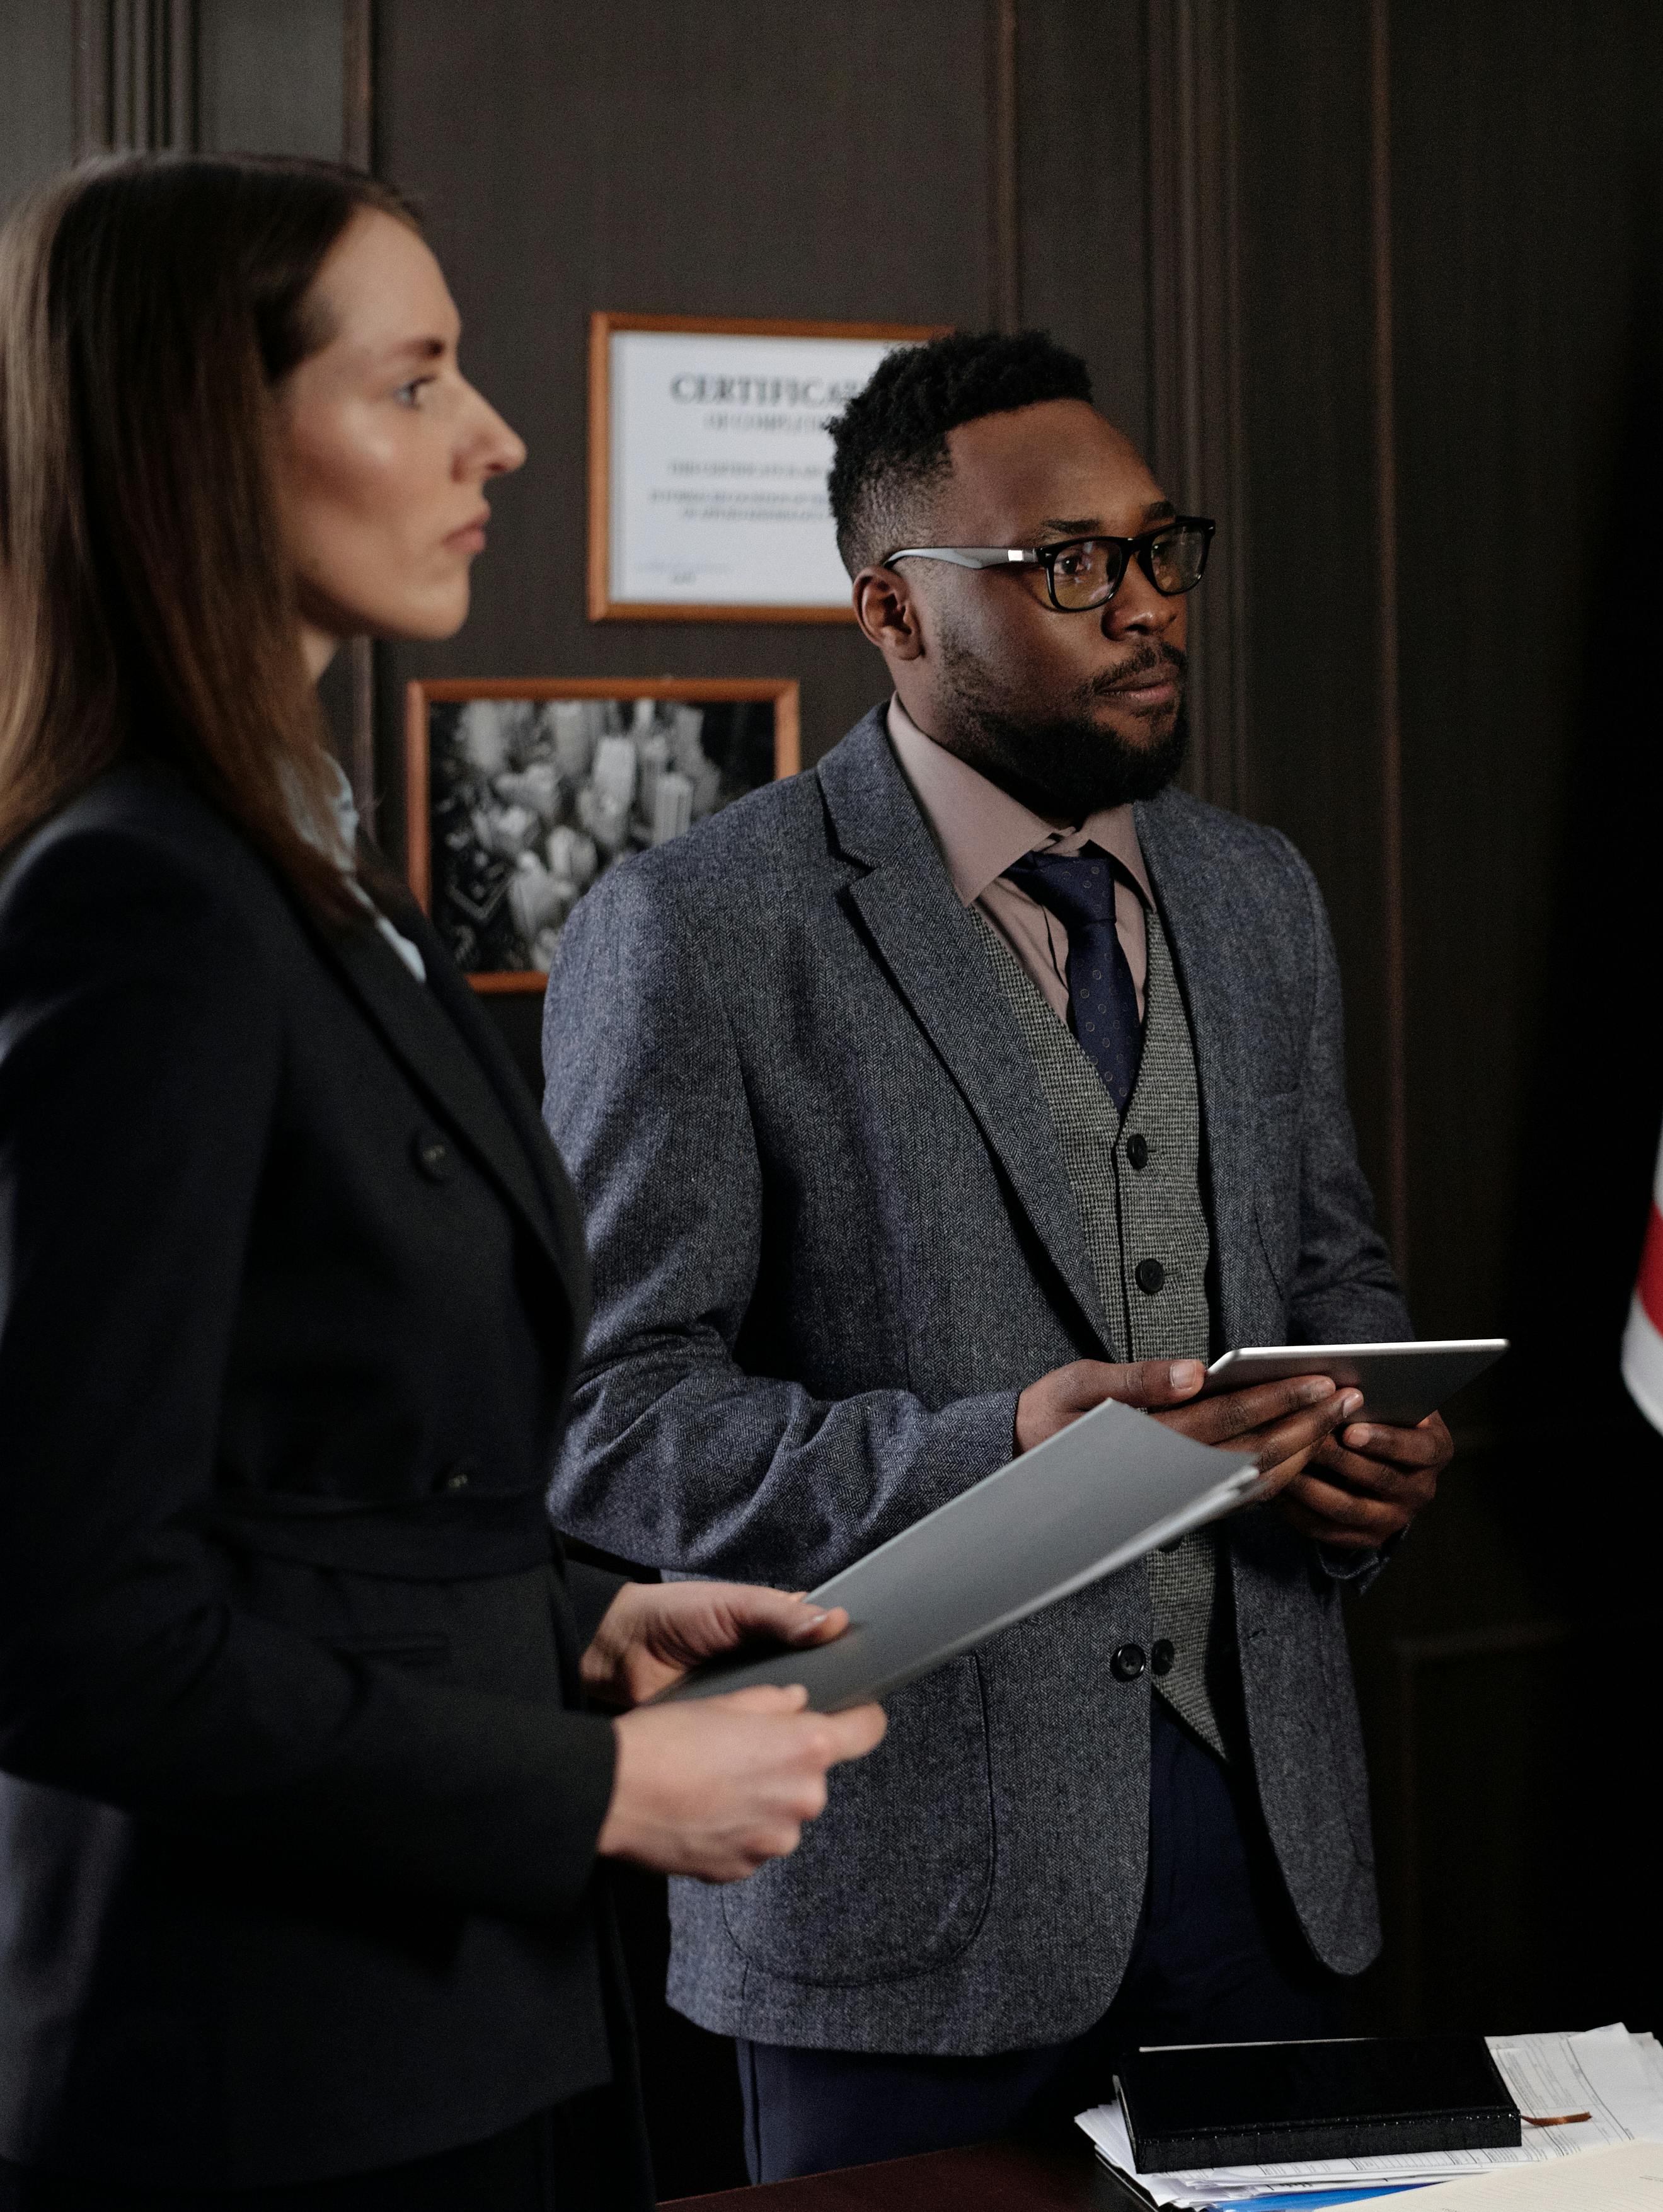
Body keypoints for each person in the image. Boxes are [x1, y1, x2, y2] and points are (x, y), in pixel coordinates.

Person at [0, 156, 885, 2211]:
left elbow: (304, 1480)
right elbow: (67, 1626)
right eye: (413, 385)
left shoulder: (294, 862)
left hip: (432, 2030)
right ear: (204, 436)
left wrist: (574, 1624)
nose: (490, 437)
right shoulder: (143, 903)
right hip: (260, 2086)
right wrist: (595, 1777)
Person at [543, 329, 1453, 2180]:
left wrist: (1362, 1438)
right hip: (893, 1922)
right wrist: (999, 1447)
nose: (1141, 608)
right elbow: (615, 1427)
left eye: (1157, 549)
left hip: (1267, 1878)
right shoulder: (697, 931)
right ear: (889, 609)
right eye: (1067, 566)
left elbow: (1330, 1270)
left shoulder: (1257, 892)